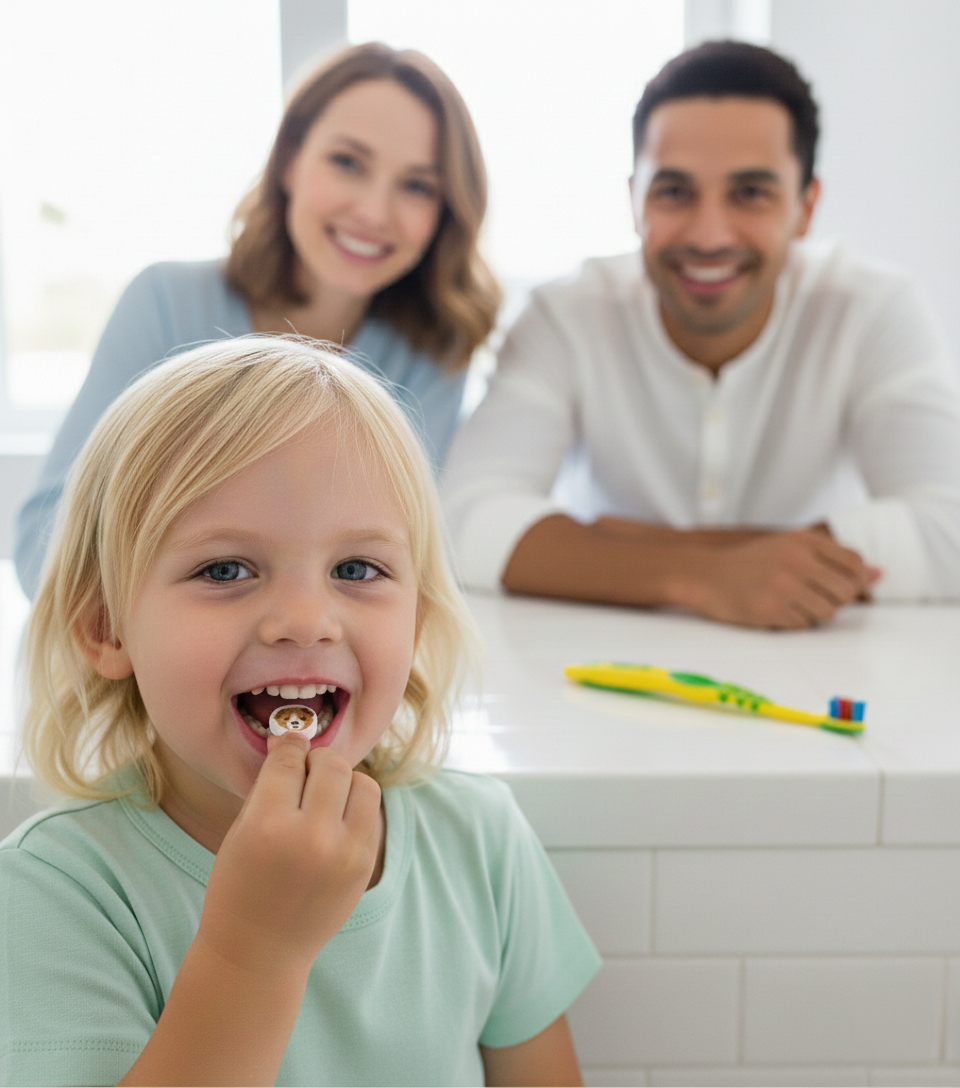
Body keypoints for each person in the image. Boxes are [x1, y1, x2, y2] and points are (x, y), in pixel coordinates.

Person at [0, 336, 600, 1087]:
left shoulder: (479, 844)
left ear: (416, 620)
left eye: (358, 568)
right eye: (225, 569)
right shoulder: (56, 892)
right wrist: (254, 949)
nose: (305, 619)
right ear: (104, 626)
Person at [442, 40, 960, 630]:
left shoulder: (873, 310)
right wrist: (702, 574)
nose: (710, 235)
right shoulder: (565, 316)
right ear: (634, 201)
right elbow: (463, 522)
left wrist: (617, 545)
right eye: (674, 192)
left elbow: (950, 532)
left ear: (806, 207)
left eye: (750, 194)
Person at [15, 40, 500, 599]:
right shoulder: (164, 302)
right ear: (291, 159)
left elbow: (404, 562)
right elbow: (43, 545)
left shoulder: (431, 349)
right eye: (347, 162)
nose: (372, 212)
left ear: (445, 212)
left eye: (417, 186)